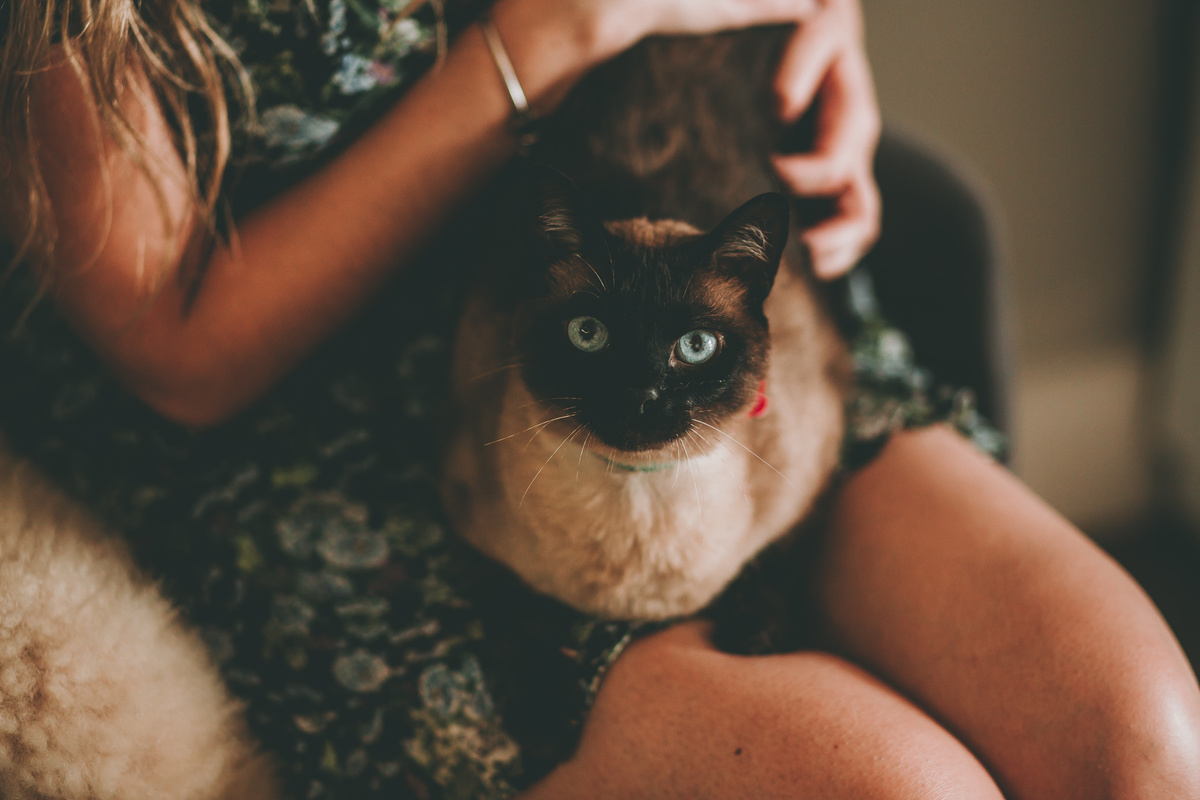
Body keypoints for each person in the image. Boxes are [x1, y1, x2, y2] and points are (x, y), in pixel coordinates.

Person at [1, 1, 1198, 798]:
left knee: (1142, 742)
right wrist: (545, 36)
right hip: (331, 419)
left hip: (690, 284)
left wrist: (818, 19)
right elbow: (180, 351)